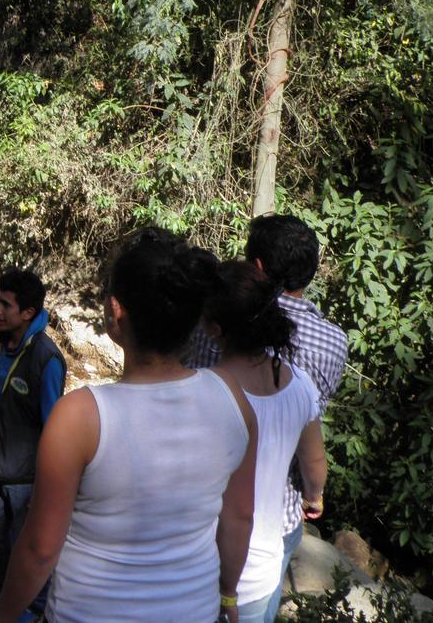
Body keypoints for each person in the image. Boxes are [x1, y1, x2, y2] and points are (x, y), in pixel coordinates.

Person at [0, 228, 258, 623]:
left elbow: (39, 549)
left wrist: (3, 618)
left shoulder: (80, 416)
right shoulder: (232, 399)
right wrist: (228, 599)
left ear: (116, 311)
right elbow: (238, 516)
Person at [185, 213, 347, 622]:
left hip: (201, 510)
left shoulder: (214, 327)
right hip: (280, 515)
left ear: (256, 269)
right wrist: (315, 497)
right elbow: (313, 462)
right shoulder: (331, 345)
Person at [204, 261, 327, 621]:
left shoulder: (207, 388)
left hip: (208, 565)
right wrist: (314, 496)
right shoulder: (300, 383)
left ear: (214, 329)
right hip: (263, 567)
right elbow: (315, 463)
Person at [0, 268, 65, 619]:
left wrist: (48, 483)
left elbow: (54, 426)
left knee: (28, 545)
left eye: (5, 305)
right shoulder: (1, 345)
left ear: (28, 313)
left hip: (26, 477)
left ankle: (34, 607)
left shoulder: (47, 359)